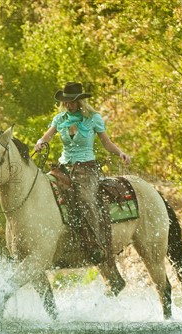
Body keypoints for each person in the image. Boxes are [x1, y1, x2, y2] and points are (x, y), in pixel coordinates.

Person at [34, 82, 131, 264]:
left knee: (86, 199)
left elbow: (106, 142)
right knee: (45, 191)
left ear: (80, 102)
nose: (69, 105)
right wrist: (40, 142)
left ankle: (96, 243)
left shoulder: (92, 119)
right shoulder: (60, 119)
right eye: (66, 102)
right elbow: (47, 136)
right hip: (63, 166)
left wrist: (120, 153)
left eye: (72, 102)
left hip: (86, 167)